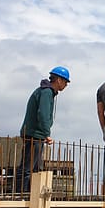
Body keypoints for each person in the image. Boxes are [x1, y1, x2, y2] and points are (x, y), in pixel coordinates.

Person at [14, 66, 70, 194]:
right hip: (34, 134)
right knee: (28, 168)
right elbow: (43, 114)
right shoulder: (46, 92)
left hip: (35, 133)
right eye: (66, 82)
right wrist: (46, 134)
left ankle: (28, 193)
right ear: (59, 80)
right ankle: (21, 194)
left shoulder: (45, 91)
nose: (66, 85)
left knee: (35, 168)